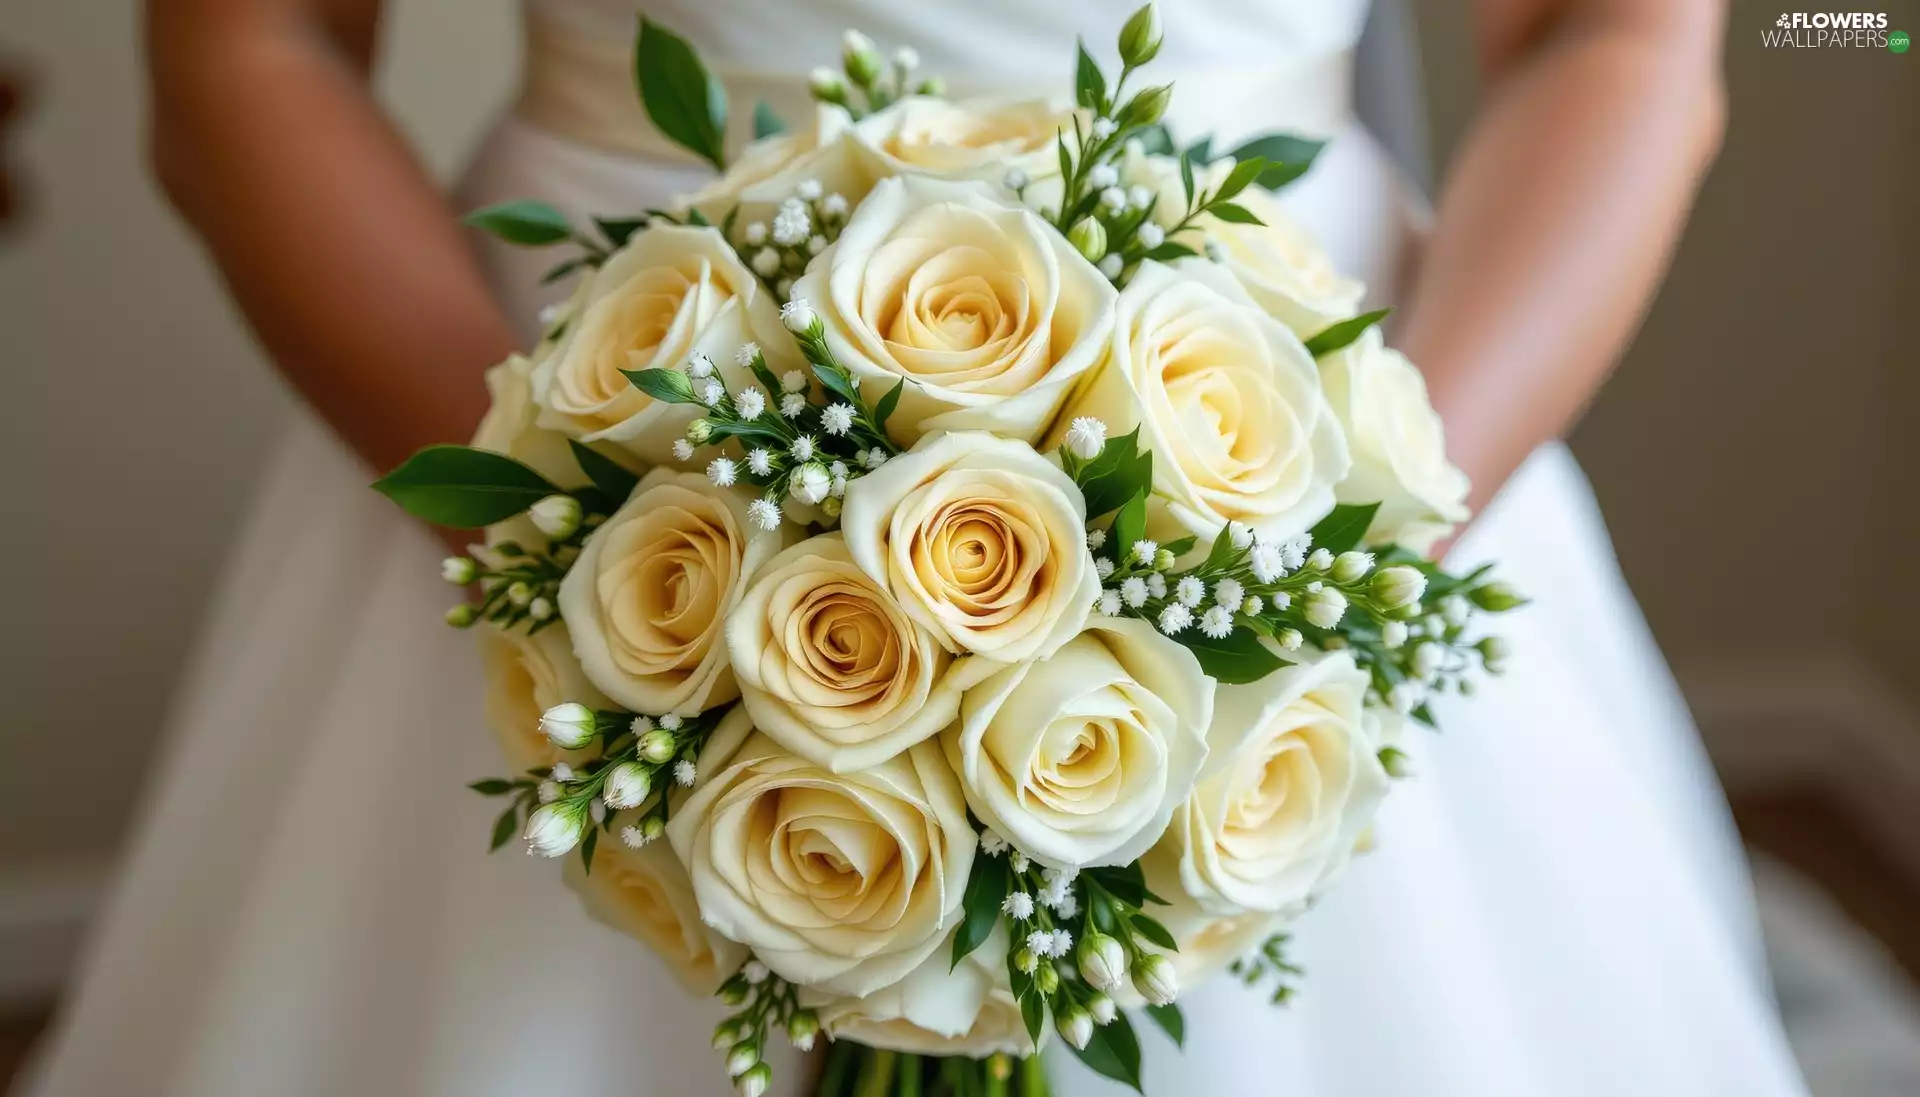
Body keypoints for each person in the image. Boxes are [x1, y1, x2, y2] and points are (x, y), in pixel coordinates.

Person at [20, 1, 1809, 1095]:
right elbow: (244, 42)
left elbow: (1622, 28)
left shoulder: (1331, 544)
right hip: (561, 417)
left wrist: (1335, 567)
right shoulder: (567, 512)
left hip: (1295, 442)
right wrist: (576, 529)